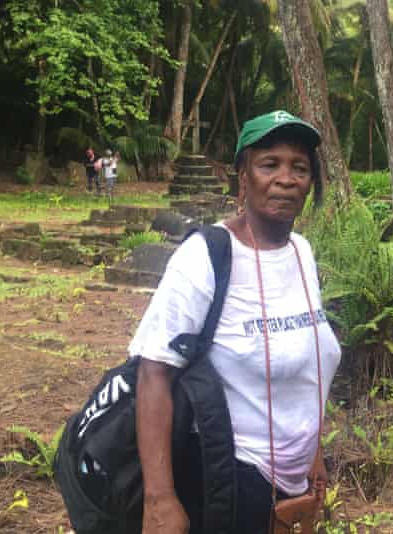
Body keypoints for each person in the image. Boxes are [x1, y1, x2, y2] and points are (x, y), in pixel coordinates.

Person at [133, 110, 341, 534]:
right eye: (269, 164)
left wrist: (313, 453)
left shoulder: (302, 253)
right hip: (230, 478)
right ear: (242, 177)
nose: (286, 178)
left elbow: (308, 367)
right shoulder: (205, 257)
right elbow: (153, 372)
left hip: (294, 485)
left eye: (299, 167)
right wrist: (159, 500)